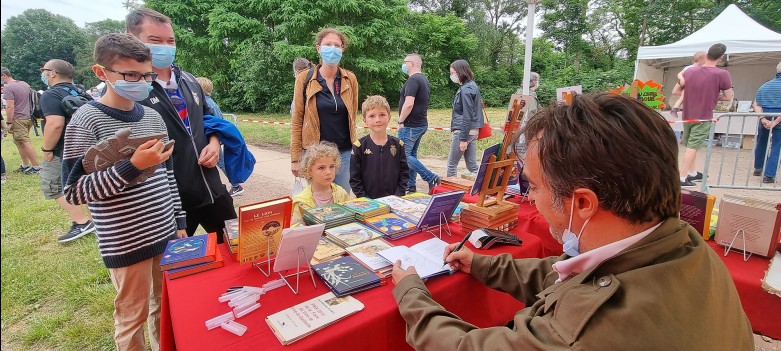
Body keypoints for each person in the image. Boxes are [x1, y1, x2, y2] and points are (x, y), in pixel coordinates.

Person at [390, 93, 753, 350]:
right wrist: (480, 264)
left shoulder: (585, 335)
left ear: (582, 203)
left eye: (532, 185)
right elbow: (574, 276)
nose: (528, 198)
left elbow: (465, 347)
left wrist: (410, 291)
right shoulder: (679, 242)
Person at [61, 33, 187, 351]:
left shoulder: (152, 116)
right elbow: (75, 192)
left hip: (165, 231)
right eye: (130, 75)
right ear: (101, 72)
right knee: (132, 316)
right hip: (126, 240)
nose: (141, 82)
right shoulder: (86, 121)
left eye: (146, 75)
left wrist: (179, 221)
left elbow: (168, 174)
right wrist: (131, 166)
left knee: (164, 307)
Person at [126, 8, 237, 240]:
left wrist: (215, 144)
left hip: (210, 188)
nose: (165, 47)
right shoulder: (132, 89)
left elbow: (210, 120)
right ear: (132, 39)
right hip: (167, 198)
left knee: (235, 247)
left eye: (170, 41)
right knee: (177, 266)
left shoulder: (188, 80)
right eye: (155, 41)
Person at [290, 28, 359, 193]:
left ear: (343, 49)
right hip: (314, 154)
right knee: (319, 203)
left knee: (341, 199)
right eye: (328, 44)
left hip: (344, 153)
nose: (333, 48)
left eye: (337, 45)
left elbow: (353, 117)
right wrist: (295, 158)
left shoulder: (350, 79)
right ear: (318, 48)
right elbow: (297, 119)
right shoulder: (304, 78)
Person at [38, 59, 97, 242]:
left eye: (44, 70)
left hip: (62, 149)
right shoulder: (81, 91)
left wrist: (47, 149)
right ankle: (96, 219)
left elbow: (55, 125)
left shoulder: (50, 95)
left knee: (53, 185)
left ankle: (81, 222)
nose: (43, 74)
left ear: (53, 73)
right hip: (86, 146)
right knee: (87, 184)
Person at [679, 43, 733, 187]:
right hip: (703, 116)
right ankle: (682, 177)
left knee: (691, 145)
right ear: (721, 57)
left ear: (707, 54)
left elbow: (677, 90)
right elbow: (729, 96)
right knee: (693, 147)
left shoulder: (690, 71)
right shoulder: (722, 74)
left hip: (687, 114)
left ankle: (692, 172)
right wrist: (714, 96)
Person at [350, 95, 409, 198]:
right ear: (365, 120)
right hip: (368, 204)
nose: (377, 120)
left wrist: (398, 195)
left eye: (382, 115)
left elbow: (404, 174)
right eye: (372, 116)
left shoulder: (398, 145)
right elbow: (355, 179)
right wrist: (364, 199)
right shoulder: (359, 147)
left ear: (389, 118)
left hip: (394, 201)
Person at [195, 76, 245, 196]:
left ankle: (236, 185)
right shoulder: (212, 103)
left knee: (220, 162)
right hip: (214, 138)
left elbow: (213, 122)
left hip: (210, 139)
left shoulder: (205, 104)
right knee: (219, 161)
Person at [398, 53, 440, 194]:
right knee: (412, 156)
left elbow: (409, 103)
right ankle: (411, 186)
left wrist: (401, 120)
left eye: (405, 62)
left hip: (410, 125)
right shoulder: (423, 80)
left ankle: (430, 177)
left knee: (402, 156)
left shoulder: (413, 80)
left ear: (412, 63)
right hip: (420, 124)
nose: (403, 65)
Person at [291, 141, 350, 224]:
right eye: (321, 168)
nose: (328, 172)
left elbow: (349, 219)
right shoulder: (301, 202)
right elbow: (296, 227)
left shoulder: (341, 193)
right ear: (309, 171)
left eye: (332, 166)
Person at [446, 59, 483, 177]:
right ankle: (481, 188)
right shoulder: (472, 86)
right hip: (472, 130)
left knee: (452, 164)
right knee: (472, 165)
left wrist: (462, 138)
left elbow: (467, 115)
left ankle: (450, 192)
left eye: (453, 73)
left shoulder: (465, 89)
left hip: (463, 130)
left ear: (460, 72)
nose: (451, 76)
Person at [1, 66, 41, 174]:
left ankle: (36, 167)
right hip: (28, 117)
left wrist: (9, 122)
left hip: (18, 118)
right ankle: (25, 165)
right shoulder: (24, 84)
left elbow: (10, 107)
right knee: (18, 142)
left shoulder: (8, 87)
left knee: (24, 142)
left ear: (4, 75)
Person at [752, 61, 781, 184]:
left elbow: (756, 103)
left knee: (762, 141)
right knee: (777, 145)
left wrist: (763, 118)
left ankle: (758, 167)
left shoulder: (765, 86)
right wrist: (775, 122)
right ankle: (769, 175)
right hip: (778, 116)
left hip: (765, 114)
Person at [670, 51, 707, 119]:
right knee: (683, 97)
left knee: (684, 97)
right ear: (701, 60)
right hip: (687, 85)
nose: (706, 62)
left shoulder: (698, 69)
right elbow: (679, 74)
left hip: (690, 86)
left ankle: (677, 108)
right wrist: (682, 79)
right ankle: (675, 108)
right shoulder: (689, 67)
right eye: (706, 60)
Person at [514, 71, 541, 161]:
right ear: (535, 82)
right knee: (523, 155)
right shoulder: (530, 96)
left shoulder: (519, 92)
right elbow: (532, 114)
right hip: (525, 130)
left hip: (515, 128)